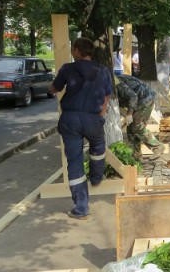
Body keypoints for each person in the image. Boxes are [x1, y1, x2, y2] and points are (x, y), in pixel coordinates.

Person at [49, 37, 113, 220]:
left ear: (77, 51)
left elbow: (55, 88)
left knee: (75, 161)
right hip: (93, 118)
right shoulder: (103, 71)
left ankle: (81, 208)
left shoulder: (68, 69)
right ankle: (96, 177)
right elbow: (107, 97)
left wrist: (50, 89)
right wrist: (101, 113)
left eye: (73, 49)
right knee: (98, 147)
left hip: (70, 120)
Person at [116, 74, 166, 160]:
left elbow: (133, 96)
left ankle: (157, 146)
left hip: (145, 99)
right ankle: (135, 156)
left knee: (137, 126)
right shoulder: (110, 81)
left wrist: (129, 114)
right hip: (138, 101)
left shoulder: (116, 83)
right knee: (131, 129)